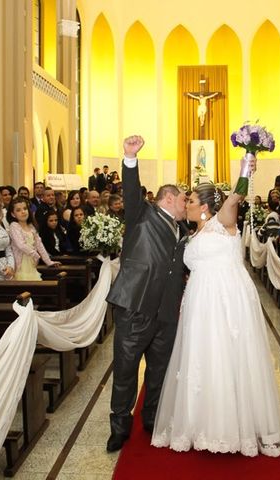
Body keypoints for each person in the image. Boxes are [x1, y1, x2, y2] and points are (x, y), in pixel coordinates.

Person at [152, 160, 280, 458]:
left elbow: (235, 196)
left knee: (225, 355)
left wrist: (245, 167)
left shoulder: (223, 222)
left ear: (206, 207)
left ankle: (229, 426)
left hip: (225, 300)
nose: (185, 204)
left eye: (191, 200)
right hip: (199, 298)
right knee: (201, 357)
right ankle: (200, 422)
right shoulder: (192, 232)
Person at [105, 135, 189, 452]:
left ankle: (152, 418)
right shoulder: (142, 215)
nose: (186, 205)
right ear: (168, 199)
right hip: (135, 306)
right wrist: (129, 158)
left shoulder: (182, 230)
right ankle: (119, 426)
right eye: (183, 200)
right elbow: (130, 189)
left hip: (167, 311)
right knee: (125, 370)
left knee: (160, 370)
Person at [7, 197, 60, 280]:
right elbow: (21, 245)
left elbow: (39, 244)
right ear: (13, 214)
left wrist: (48, 261)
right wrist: (35, 254)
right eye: (18, 210)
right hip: (21, 265)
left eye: (25, 208)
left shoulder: (31, 226)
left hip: (31, 264)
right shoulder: (14, 226)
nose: (23, 212)